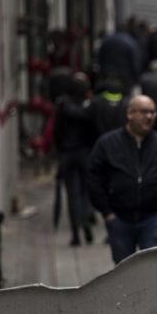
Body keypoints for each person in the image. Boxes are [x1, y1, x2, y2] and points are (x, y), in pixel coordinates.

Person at [88, 95, 157, 264]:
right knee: (124, 274)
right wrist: (107, 212)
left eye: (153, 112)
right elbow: (94, 178)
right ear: (130, 114)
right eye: (144, 112)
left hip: (154, 218)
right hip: (119, 219)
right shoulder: (108, 143)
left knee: (152, 269)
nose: (149, 116)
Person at [53, 72, 97, 246]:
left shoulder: (62, 105)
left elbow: (56, 130)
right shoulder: (90, 106)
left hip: (67, 153)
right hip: (85, 153)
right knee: (86, 192)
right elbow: (94, 129)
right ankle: (86, 221)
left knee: (72, 194)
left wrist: (59, 149)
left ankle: (75, 233)